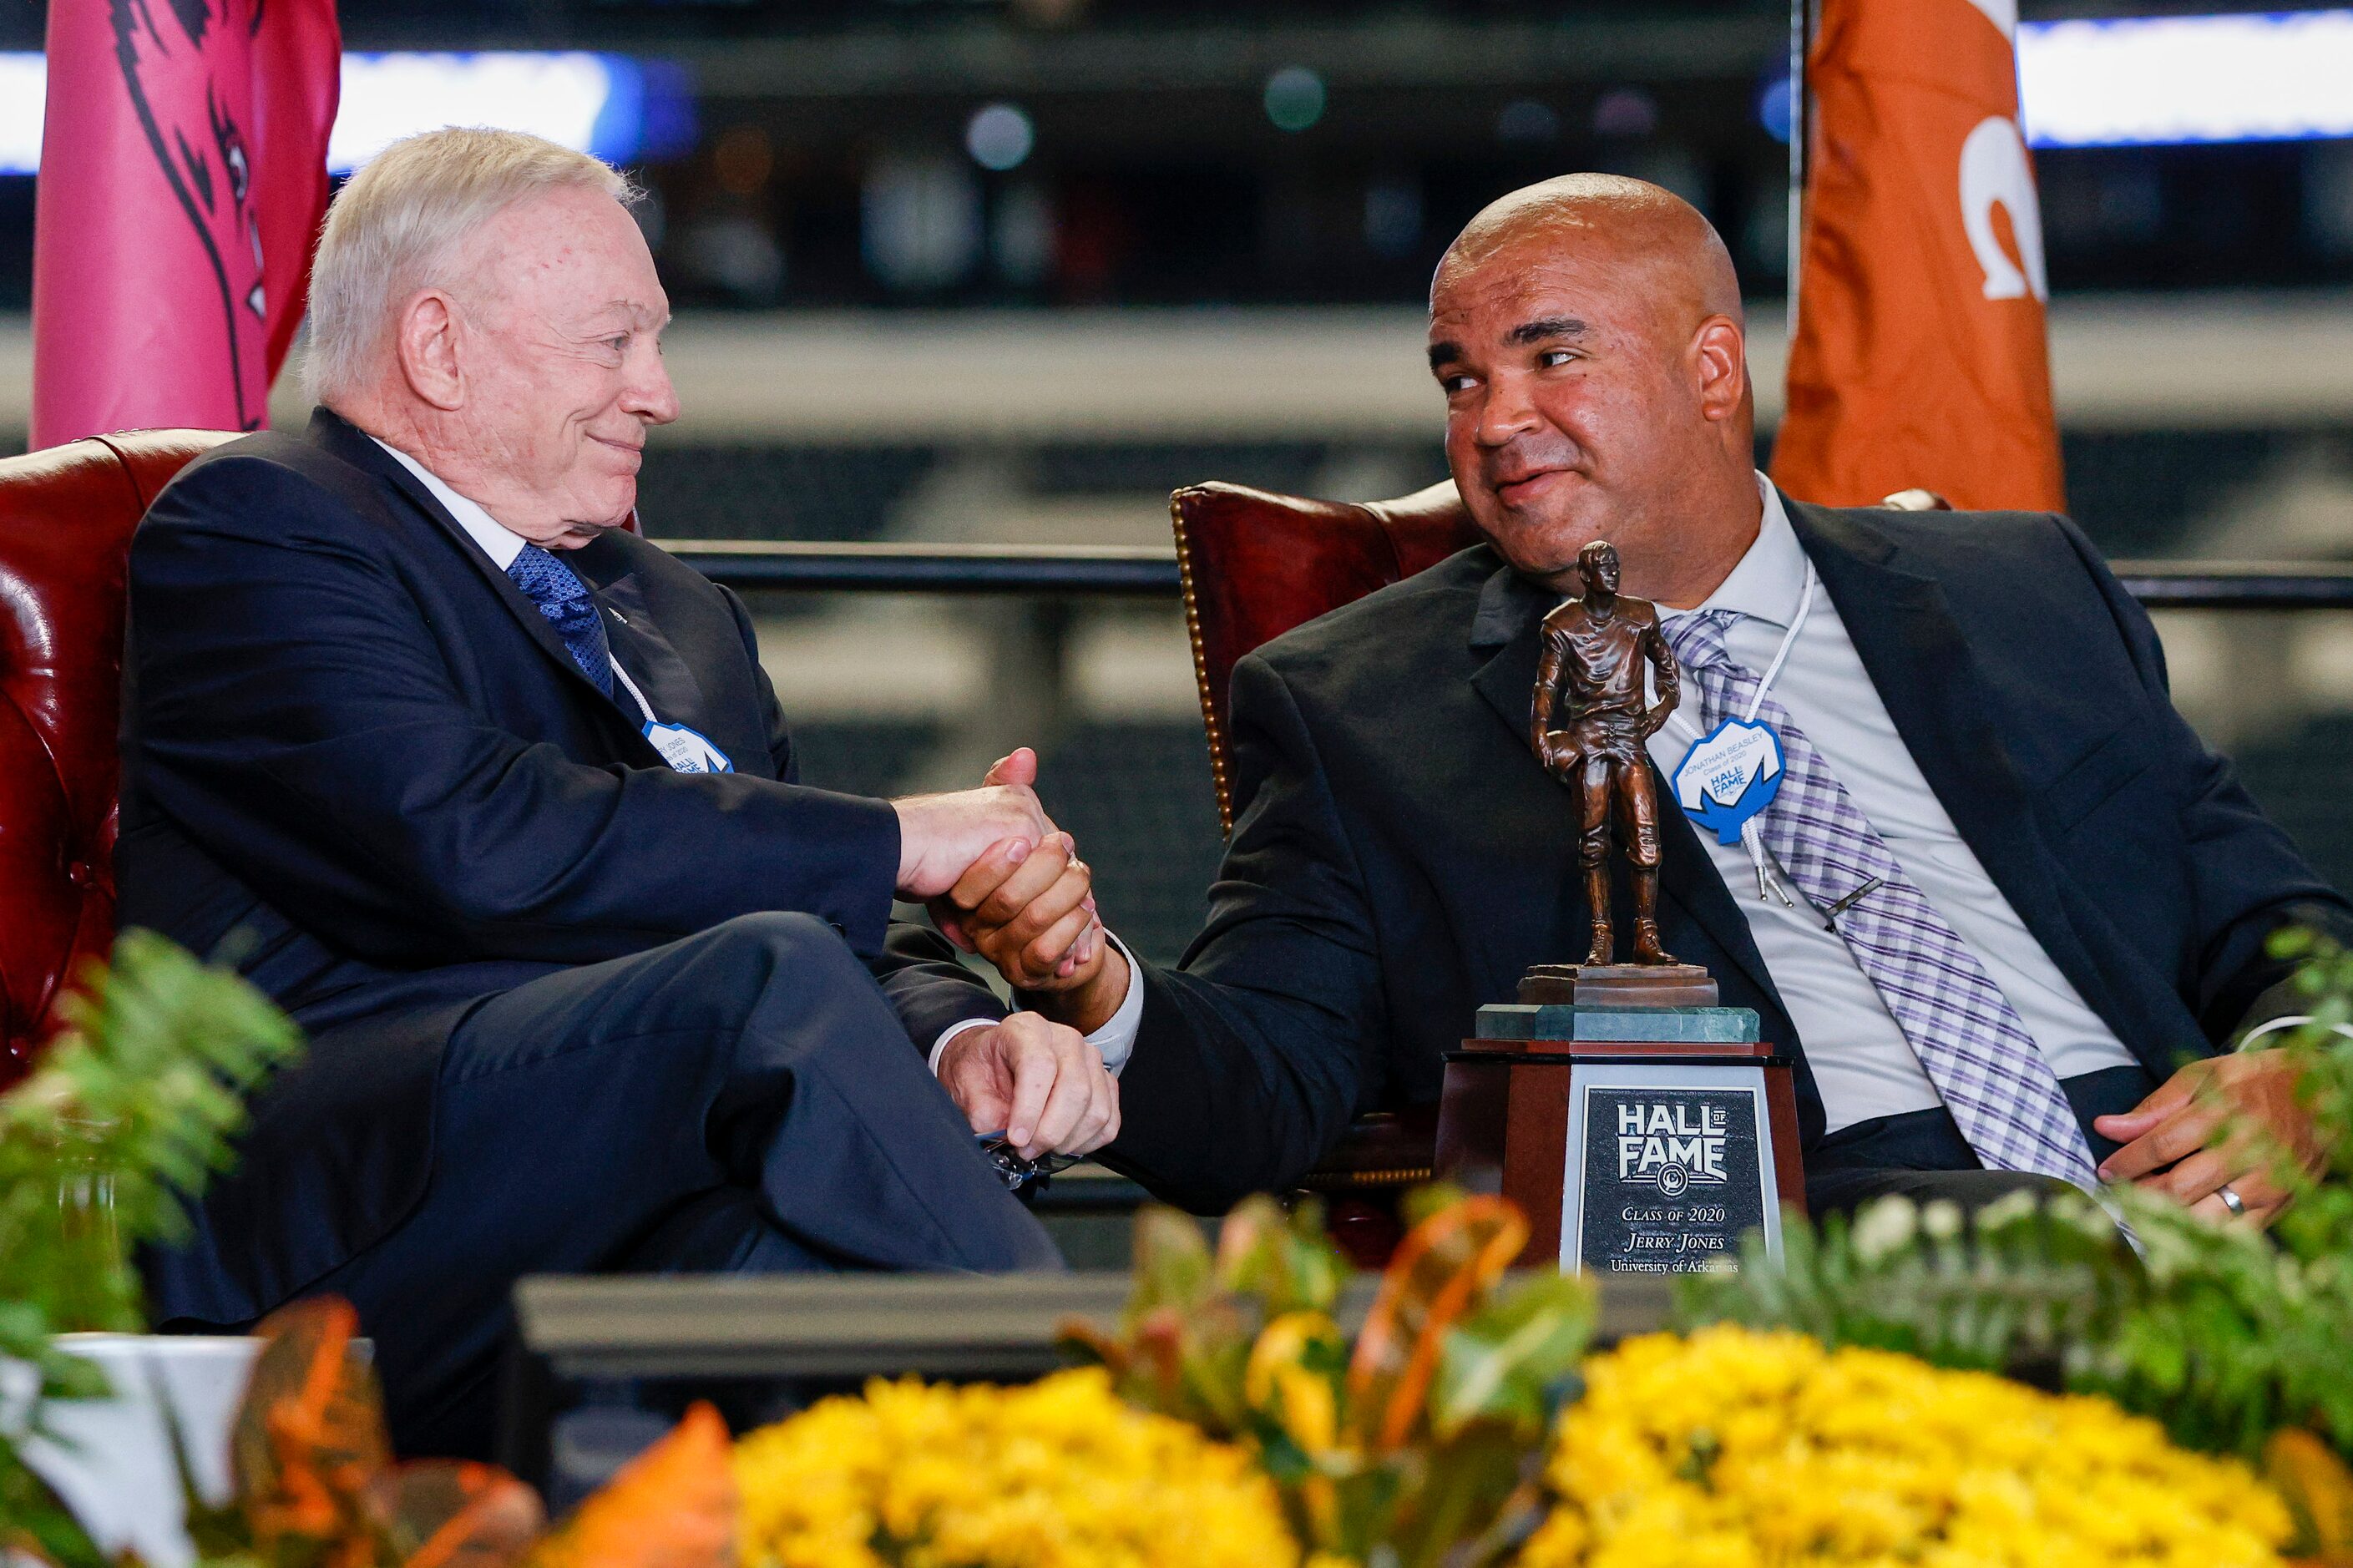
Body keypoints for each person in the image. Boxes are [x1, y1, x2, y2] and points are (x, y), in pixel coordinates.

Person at [943, 172, 2348, 1229]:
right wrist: (1086, 981)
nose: (1494, 418)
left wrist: (2302, 1075)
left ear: (1710, 370)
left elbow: (2273, 924)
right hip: (1815, 1248)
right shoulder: (1357, 705)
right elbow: (1264, 1082)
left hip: (2192, 1197)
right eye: (1459, 377)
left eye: (1551, 356)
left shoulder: (2019, 587)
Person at [121, 129, 1118, 1458]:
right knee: (759, 979)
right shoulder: (258, 524)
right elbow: (470, 841)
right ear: (437, 347)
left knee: (803, 1272)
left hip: (639, 1180)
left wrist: (954, 1041)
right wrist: (899, 835)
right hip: (349, 1209)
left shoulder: (681, 609)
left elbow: (819, 939)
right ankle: (1113, 1455)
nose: (661, 394)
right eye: (615, 343)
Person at [1530, 539, 1681, 966]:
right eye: (1601, 565)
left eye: (1614, 564)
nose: (1611, 572)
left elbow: (1668, 668)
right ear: (1584, 575)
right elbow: (1547, 684)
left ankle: (1646, 937)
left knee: (1647, 843)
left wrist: (1664, 707)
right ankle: (1601, 937)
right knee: (1593, 844)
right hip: (1589, 739)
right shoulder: (1563, 625)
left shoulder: (1640, 616)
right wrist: (1540, 731)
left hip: (1630, 738)